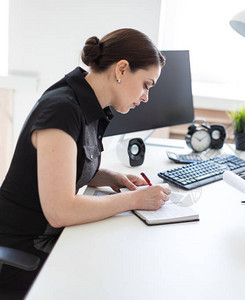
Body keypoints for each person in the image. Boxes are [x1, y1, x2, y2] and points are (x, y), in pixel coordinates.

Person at [0, 28, 171, 294]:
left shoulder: (88, 104)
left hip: (48, 238)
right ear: (122, 69)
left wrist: (110, 177)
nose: (146, 96)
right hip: (22, 251)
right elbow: (61, 211)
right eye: (146, 84)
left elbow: (67, 163)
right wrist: (136, 199)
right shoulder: (62, 110)